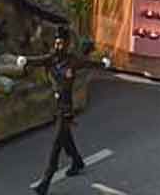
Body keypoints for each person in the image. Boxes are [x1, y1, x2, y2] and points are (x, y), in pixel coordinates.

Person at [16, 28, 110, 195]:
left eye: (61, 42)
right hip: (56, 106)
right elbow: (38, 60)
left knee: (56, 146)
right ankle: (77, 161)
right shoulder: (51, 59)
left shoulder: (72, 61)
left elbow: (88, 63)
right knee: (66, 139)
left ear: (67, 44)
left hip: (66, 110)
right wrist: (25, 61)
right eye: (56, 42)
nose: (58, 45)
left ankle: (45, 182)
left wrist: (103, 64)